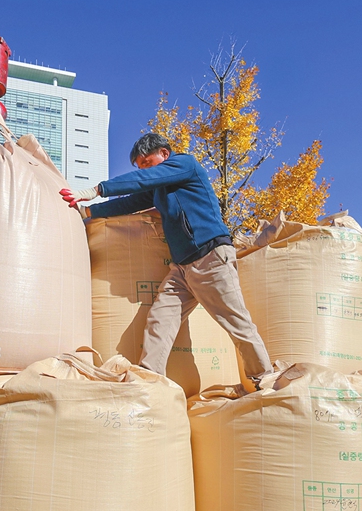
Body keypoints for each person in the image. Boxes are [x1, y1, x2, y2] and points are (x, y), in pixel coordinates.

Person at [61, 133, 271, 386]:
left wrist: (95, 190)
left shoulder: (185, 164)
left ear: (164, 153)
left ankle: (263, 378)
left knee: (236, 322)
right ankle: (149, 382)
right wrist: (89, 210)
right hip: (182, 268)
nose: (145, 169)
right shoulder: (160, 189)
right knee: (160, 321)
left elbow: (144, 180)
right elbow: (130, 202)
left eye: (147, 162)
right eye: (140, 166)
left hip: (211, 258)